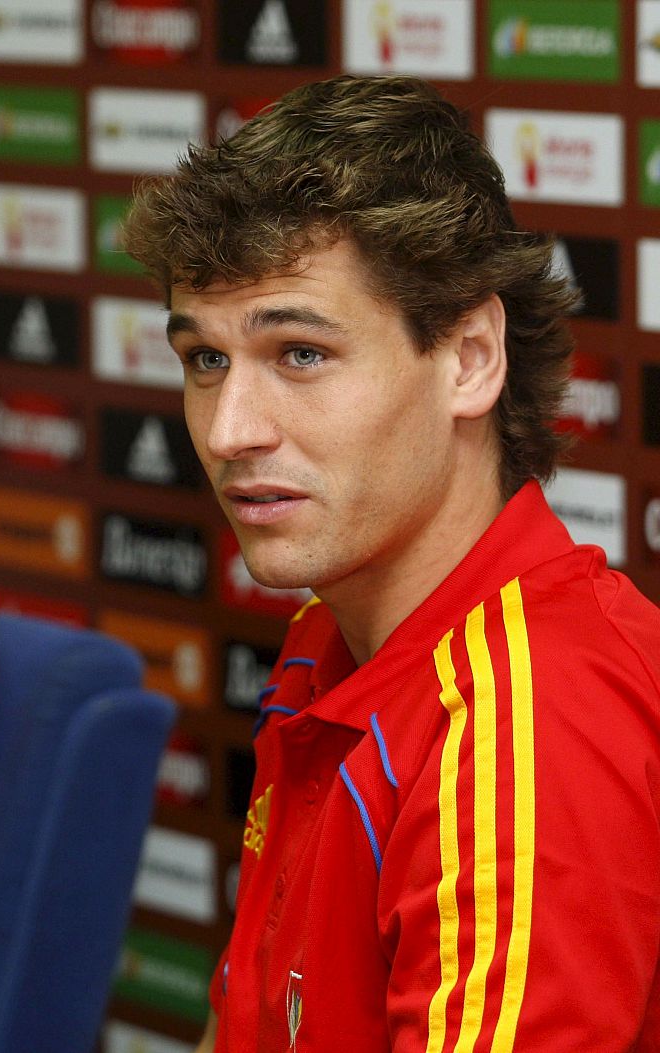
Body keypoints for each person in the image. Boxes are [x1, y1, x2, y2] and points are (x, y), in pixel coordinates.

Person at [124, 74, 660, 1051]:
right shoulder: (332, 625)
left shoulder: (526, 725)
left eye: (298, 354)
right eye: (204, 360)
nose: (229, 430)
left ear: (467, 360)